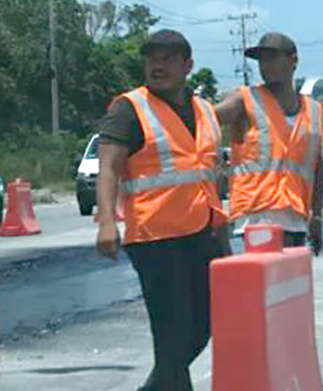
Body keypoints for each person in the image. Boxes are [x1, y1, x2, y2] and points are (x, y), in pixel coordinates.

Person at [96, 29, 227, 390]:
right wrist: (107, 222)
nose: (158, 64)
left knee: (203, 325)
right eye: (152, 57)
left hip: (201, 232)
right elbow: (107, 167)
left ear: (188, 65)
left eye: (168, 58)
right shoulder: (129, 108)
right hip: (155, 238)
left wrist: (222, 233)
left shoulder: (203, 109)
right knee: (171, 334)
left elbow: (208, 174)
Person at [214, 32, 323, 251]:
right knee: (266, 283)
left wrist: (317, 216)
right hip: (259, 217)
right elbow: (208, 117)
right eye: (262, 60)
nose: (265, 65)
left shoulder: (313, 110)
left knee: (293, 284)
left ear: (293, 60)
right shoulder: (244, 99)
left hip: (295, 217)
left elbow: (318, 168)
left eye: (272, 58)